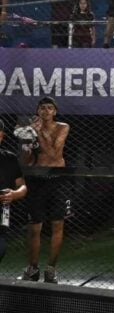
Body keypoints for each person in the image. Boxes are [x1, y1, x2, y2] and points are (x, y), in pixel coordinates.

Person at [20, 96, 70, 284]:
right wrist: (28, 142)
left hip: (58, 181)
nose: (46, 111)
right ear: (38, 111)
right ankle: (33, 269)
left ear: (55, 111)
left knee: (58, 225)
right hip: (37, 181)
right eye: (42, 108)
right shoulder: (29, 129)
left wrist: (38, 132)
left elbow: (53, 153)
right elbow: (26, 160)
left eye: (50, 108)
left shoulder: (62, 127)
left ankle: (51, 270)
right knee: (34, 228)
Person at [0, 120, 28, 263]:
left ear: (1, 136)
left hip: (2, 212)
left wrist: (14, 194)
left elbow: (23, 187)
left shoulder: (9, 158)